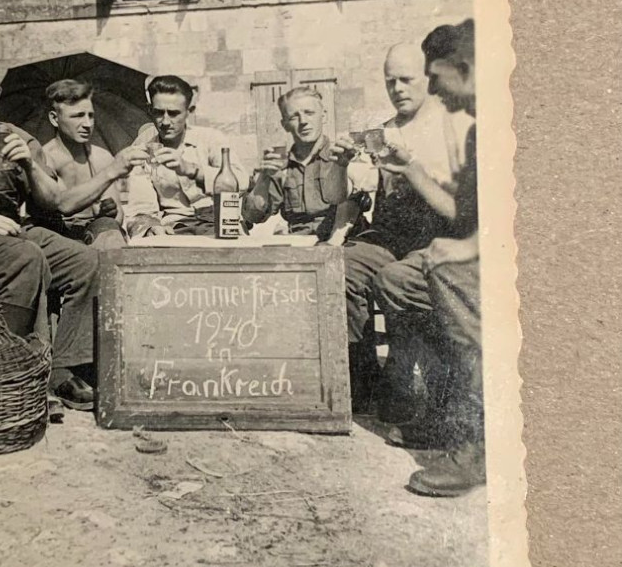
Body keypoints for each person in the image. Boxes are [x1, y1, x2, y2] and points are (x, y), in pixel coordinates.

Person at [0, 54, 146, 410]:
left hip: (16, 231)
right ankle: (10, 367)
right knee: (24, 256)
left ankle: (63, 368)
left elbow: (56, 201)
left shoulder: (17, 138)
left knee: (88, 263)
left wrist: (29, 166)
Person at [375, 20, 485, 496]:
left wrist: (470, 246)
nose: (436, 94)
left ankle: (473, 442)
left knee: (447, 277)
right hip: (479, 251)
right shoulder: (478, 130)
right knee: (401, 279)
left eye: (434, 80)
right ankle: (440, 413)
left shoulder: (487, 124)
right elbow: (473, 211)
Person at [342, 41, 473, 416]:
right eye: (389, 82)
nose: (397, 89)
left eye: (405, 80)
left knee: (396, 279)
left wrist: (412, 168)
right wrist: (343, 163)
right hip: (390, 238)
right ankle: (361, 382)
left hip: (437, 238)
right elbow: (356, 192)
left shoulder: (453, 127)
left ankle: (408, 389)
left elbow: (460, 212)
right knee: (342, 269)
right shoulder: (383, 131)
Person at [123, 75, 248, 238]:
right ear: (149, 110)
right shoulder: (143, 148)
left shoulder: (211, 139)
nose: (165, 122)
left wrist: (193, 170)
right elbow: (141, 205)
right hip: (175, 228)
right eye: (159, 113)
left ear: (189, 111)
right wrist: (151, 227)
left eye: (174, 113)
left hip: (220, 223)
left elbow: (242, 182)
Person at [242, 86, 361, 242]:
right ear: (284, 124)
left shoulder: (341, 154)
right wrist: (264, 178)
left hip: (343, 240)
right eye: (294, 117)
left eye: (309, 113)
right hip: (300, 242)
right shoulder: (280, 165)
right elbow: (254, 216)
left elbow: (348, 206)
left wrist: (330, 245)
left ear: (323, 116)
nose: (303, 121)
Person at [35, 79, 127, 250]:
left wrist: (109, 212)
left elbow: (117, 214)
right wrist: (110, 173)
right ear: (55, 119)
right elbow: (63, 204)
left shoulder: (100, 156)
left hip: (93, 233)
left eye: (90, 115)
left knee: (111, 232)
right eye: (78, 116)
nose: (87, 124)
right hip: (55, 236)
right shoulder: (44, 157)